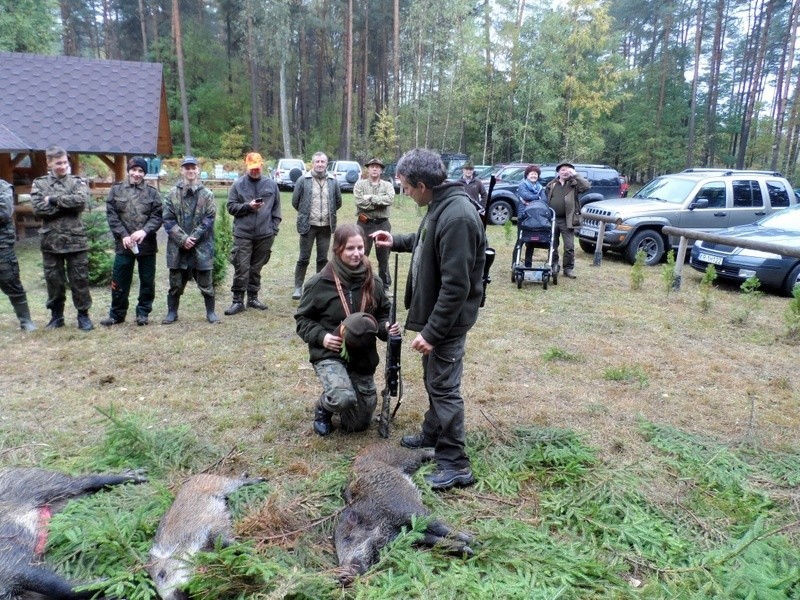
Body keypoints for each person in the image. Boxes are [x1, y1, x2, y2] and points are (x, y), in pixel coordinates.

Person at [372, 148, 486, 491]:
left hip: (447, 322)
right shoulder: (440, 205)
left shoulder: (459, 217)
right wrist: (397, 241)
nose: (404, 193)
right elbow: (426, 242)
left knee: (444, 387)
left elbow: (456, 285)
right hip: (438, 318)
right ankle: (433, 434)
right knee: (434, 378)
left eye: (406, 187)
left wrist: (434, 332)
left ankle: (454, 462)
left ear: (422, 185)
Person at [295, 223, 400, 436]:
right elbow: (303, 320)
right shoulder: (319, 283)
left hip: (362, 355)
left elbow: (382, 316)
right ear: (338, 250)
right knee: (343, 398)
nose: (356, 253)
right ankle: (325, 406)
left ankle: (344, 391)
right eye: (350, 248)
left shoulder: (374, 282)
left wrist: (387, 327)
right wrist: (322, 337)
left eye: (360, 248)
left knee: (357, 424)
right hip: (329, 353)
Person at [30, 145, 94, 331]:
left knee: (80, 280)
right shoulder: (40, 184)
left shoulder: (77, 182)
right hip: (51, 241)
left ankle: (83, 315)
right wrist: (67, 203)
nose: (63, 166)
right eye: (58, 163)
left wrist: (52, 200)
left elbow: (81, 202)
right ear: (48, 162)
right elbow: (38, 210)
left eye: (65, 162)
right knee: (54, 281)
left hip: (76, 241)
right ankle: (56, 316)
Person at [101, 156, 163, 326]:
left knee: (147, 281)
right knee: (120, 279)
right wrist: (124, 235)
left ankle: (143, 313)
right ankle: (117, 314)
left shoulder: (152, 193)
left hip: (146, 245)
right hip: (124, 244)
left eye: (140, 171)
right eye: (134, 170)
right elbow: (112, 215)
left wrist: (144, 231)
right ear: (129, 171)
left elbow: (157, 216)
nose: (136, 174)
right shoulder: (116, 190)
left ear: (144, 173)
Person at [161, 156, 220, 324]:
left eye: (193, 167)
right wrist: (183, 239)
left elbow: (209, 218)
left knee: (206, 282)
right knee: (175, 283)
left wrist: (193, 237)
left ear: (198, 170)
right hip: (177, 247)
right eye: (187, 168)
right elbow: (167, 219)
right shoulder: (171, 194)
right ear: (182, 171)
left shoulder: (207, 195)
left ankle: (211, 312)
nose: (190, 170)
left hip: (201, 246)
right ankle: (172, 312)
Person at [224, 152, 281, 315]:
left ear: (262, 166)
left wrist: (273, 229)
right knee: (241, 267)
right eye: (252, 168)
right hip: (243, 234)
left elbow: (276, 209)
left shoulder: (271, 185)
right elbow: (230, 207)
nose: (255, 171)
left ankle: (253, 298)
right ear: (246, 167)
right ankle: (237, 301)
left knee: (256, 268)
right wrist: (248, 207)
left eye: (257, 168)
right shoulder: (238, 185)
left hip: (265, 234)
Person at [291, 151, 342, 300]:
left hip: (326, 226)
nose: (320, 164)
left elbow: (337, 202)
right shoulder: (303, 180)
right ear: (312, 163)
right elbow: (295, 201)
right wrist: (305, 214)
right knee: (303, 258)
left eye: (323, 162)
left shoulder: (333, 181)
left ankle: (320, 286)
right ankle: (298, 287)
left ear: (326, 164)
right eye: (317, 162)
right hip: (308, 226)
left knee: (322, 259)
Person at [352, 157, 395, 290]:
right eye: (372, 166)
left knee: (383, 257)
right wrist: (379, 203)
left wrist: (370, 198)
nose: (375, 168)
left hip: (382, 224)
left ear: (381, 170)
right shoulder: (360, 185)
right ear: (368, 169)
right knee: (360, 254)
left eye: (377, 166)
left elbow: (389, 200)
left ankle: (385, 286)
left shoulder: (387, 185)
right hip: (364, 224)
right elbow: (359, 202)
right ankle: (358, 282)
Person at [0, 179, 36, 331]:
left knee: (10, 279)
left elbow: (4, 212)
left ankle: (25, 320)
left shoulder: (3, 186)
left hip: (2, 244)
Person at [544, 162, 590, 279]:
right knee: (553, 245)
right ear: (558, 172)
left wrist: (575, 175)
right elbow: (546, 198)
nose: (565, 172)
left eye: (568, 170)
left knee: (569, 246)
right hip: (553, 219)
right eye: (563, 170)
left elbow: (587, 186)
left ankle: (568, 269)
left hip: (568, 220)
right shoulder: (551, 184)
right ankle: (553, 266)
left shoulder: (574, 184)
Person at [516, 165, 547, 267]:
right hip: (523, 216)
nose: (534, 175)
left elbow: (544, 200)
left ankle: (528, 264)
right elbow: (525, 196)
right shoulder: (522, 185)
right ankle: (515, 263)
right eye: (531, 174)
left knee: (531, 240)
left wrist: (532, 201)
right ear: (527, 175)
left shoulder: (540, 187)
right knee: (520, 241)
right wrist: (537, 198)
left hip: (534, 217)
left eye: (536, 174)